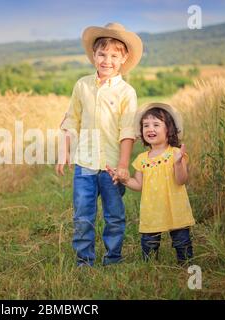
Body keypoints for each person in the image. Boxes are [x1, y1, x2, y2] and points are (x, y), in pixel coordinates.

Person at [55, 23, 143, 266]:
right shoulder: (82, 85)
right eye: (102, 54)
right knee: (83, 215)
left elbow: (127, 132)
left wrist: (123, 165)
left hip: (112, 166)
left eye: (114, 55)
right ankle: (84, 261)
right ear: (93, 55)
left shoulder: (127, 92)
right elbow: (71, 120)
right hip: (84, 163)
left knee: (114, 215)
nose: (107, 60)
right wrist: (65, 152)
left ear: (124, 58)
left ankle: (113, 259)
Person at [107, 103, 195, 264]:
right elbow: (139, 185)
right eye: (145, 125)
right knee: (149, 244)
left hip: (175, 208)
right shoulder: (142, 159)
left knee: (181, 241)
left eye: (156, 124)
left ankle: (185, 265)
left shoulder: (175, 154)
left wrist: (177, 164)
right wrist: (124, 179)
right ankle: (150, 267)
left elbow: (181, 180)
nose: (150, 129)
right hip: (151, 210)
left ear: (169, 129)